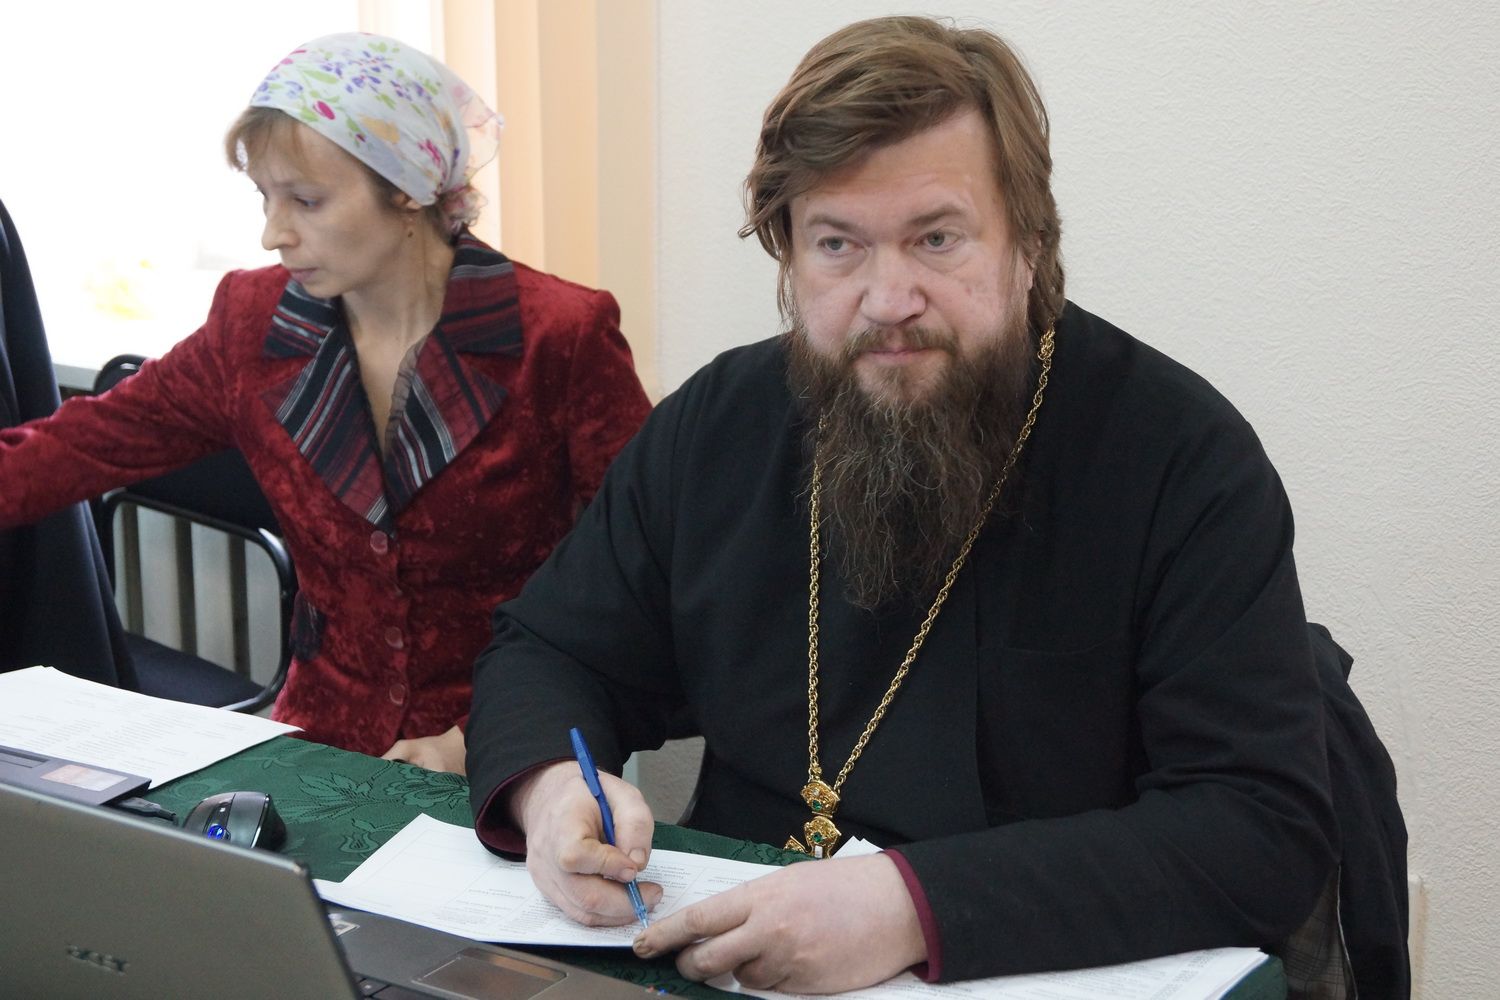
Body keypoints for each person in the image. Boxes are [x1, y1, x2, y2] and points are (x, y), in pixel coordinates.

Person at [465, 15, 1406, 998]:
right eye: (838, 244)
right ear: (790, 255)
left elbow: (1256, 826)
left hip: (1037, 967)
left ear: (1029, 243)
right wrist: (552, 790)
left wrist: (909, 906)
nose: (888, 298)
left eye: (937, 238)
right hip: (728, 961)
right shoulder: (719, 423)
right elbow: (552, 648)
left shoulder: (1180, 457)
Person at [0, 33, 651, 773]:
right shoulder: (251, 325)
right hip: (319, 747)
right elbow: (79, 446)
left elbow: (641, 579)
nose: (272, 234)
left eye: (306, 201)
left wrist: (483, 738)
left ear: (408, 187)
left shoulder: (557, 336)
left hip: (512, 752)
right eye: (265, 197)